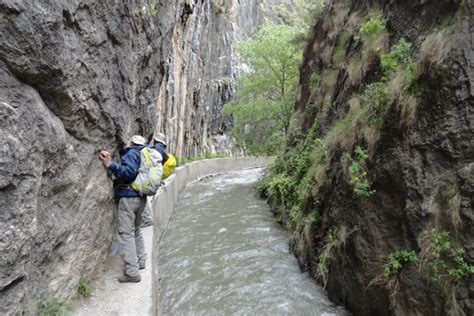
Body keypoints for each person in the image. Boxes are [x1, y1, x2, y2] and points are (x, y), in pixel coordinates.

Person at [99, 135, 147, 283]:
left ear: (132, 143)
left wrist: (110, 165)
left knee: (126, 233)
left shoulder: (132, 152)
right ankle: (141, 261)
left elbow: (129, 173)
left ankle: (132, 273)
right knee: (136, 229)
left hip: (129, 197)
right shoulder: (145, 154)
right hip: (141, 197)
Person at [141, 133, 169, 227]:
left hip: (151, 175)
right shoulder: (162, 149)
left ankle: (147, 219)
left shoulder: (157, 148)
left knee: (144, 195)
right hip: (156, 175)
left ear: (156, 140)